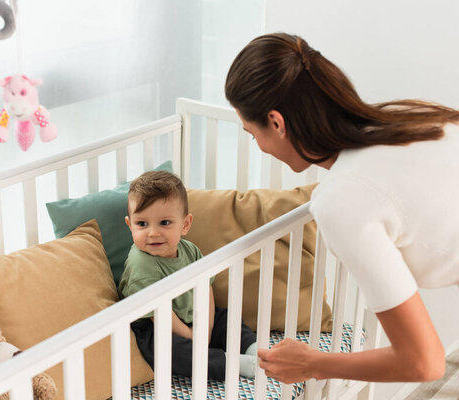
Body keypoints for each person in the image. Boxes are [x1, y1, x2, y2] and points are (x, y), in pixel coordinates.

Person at [225, 32, 459, 384]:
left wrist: (312, 363)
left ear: (276, 122)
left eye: (250, 133)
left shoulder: (342, 200)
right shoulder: (403, 119)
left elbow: (424, 362)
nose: (257, 145)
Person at [118, 170, 258, 381]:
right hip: (155, 324)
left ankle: (257, 351)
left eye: (164, 223)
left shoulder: (189, 250)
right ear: (130, 226)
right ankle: (233, 363)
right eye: (142, 224)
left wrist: (207, 328)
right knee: (170, 351)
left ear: (185, 224)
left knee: (226, 318)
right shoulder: (141, 267)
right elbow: (161, 315)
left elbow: (206, 289)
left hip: (190, 311)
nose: (153, 233)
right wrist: (192, 336)